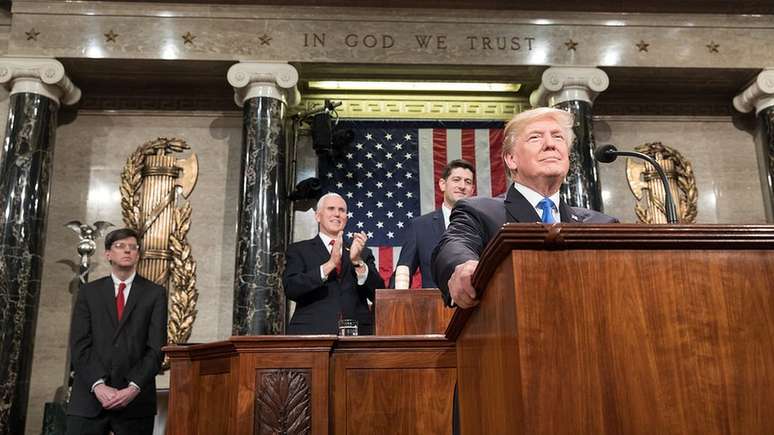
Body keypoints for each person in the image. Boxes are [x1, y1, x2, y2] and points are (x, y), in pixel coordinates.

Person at [432, 107, 619, 309]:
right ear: (511, 159)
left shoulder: (601, 224)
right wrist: (463, 266)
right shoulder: (479, 211)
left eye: (558, 137)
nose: (550, 144)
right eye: (535, 138)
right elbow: (454, 245)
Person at [66, 228, 167, 435]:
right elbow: (79, 344)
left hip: (135, 403)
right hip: (89, 399)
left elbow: (156, 349)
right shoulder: (88, 292)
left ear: (138, 255)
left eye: (133, 247)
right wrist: (99, 386)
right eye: (120, 246)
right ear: (108, 254)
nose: (127, 251)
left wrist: (133, 388)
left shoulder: (155, 294)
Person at [283, 192, 384, 335]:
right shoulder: (299, 250)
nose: (337, 214)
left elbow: (378, 293)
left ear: (346, 218)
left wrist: (358, 262)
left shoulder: (362, 252)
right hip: (311, 334)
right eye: (331, 209)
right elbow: (291, 288)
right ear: (318, 216)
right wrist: (329, 265)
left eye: (342, 210)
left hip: (358, 336)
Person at [392, 159, 475, 289]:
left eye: (468, 182)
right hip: (433, 306)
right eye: (456, 179)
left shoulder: (482, 225)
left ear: (472, 190)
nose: (462, 186)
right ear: (442, 184)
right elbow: (403, 273)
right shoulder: (419, 227)